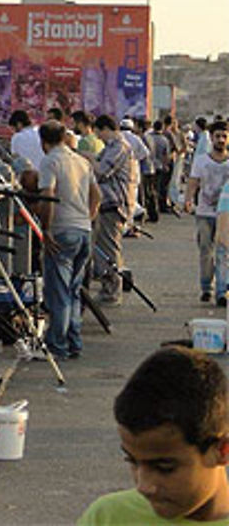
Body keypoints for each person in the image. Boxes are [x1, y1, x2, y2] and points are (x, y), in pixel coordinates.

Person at [78, 346, 229, 524]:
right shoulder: (106, 517)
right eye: (132, 461)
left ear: (222, 451)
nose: (144, 486)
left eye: (164, 468)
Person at [37, 121, 101, 360]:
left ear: (44, 142)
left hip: (62, 230)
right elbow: (97, 195)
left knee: (59, 292)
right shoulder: (82, 161)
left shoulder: (50, 161)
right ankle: (74, 342)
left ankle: (57, 345)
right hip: (83, 230)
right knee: (74, 290)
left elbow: (48, 197)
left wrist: (47, 230)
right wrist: (88, 216)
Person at [185, 120, 229, 305]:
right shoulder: (201, 160)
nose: (221, 139)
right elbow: (193, 181)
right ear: (211, 138)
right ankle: (206, 288)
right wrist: (188, 199)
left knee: (223, 252)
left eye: (224, 136)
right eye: (217, 136)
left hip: (225, 215)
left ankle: (221, 291)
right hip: (204, 212)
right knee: (205, 251)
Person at [91, 115, 133, 304]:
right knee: (104, 248)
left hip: (114, 204)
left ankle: (112, 290)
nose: (98, 137)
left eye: (99, 132)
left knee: (109, 249)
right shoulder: (111, 147)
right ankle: (109, 286)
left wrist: (85, 158)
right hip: (107, 203)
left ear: (106, 129)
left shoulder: (118, 146)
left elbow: (101, 171)